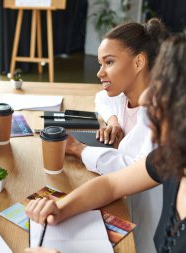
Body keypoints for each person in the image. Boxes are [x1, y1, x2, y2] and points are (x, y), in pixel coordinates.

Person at [25, 32, 186, 253]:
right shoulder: (169, 158)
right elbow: (111, 185)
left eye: (162, 87)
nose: (147, 98)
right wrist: (60, 208)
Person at [65, 19, 167, 253]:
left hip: (148, 223)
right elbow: (101, 99)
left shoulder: (160, 114)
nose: (100, 72)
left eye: (109, 62)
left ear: (139, 62)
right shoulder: (124, 96)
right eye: (101, 63)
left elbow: (134, 168)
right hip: (124, 205)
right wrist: (114, 121)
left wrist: (78, 149)